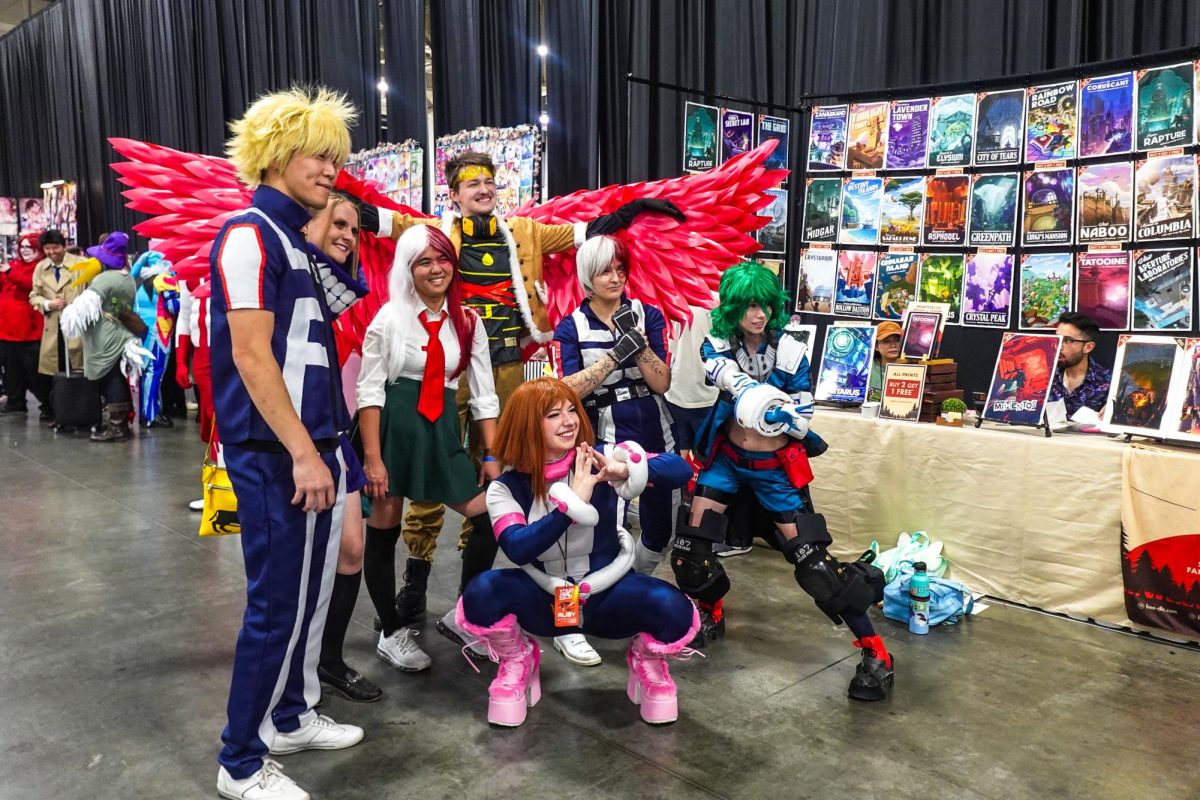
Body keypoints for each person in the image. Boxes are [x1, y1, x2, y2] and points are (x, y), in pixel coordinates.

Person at [359, 151, 683, 656]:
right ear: (455, 194)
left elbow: (586, 232)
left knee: (505, 477)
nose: (485, 189)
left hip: (507, 371)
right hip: (444, 378)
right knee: (424, 490)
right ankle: (416, 580)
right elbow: (374, 221)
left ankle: (483, 601)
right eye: (473, 184)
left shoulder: (527, 233)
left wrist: (630, 209)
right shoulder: (432, 235)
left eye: (491, 181)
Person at [209, 86, 365, 800]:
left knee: (304, 600)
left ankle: (292, 714)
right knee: (275, 603)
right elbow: (251, 355)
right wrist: (304, 451)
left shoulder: (293, 243)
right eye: (317, 154)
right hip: (276, 453)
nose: (331, 167)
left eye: (337, 157)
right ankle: (239, 760)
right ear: (275, 152)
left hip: (313, 447)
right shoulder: (247, 234)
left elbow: (345, 302)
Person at [672, 262, 894, 701]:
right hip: (727, 461)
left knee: (815, 566)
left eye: (765, 304)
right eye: (749, 305)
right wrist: (756, 396)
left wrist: (786, 417)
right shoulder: (717, 342)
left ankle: (876, 652)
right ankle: (710, 609)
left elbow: (803, 417)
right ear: (733, 307)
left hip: (774, 471)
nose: (758, 314)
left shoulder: (792, 351)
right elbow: (721, 373)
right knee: (690, 550)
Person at [458, 377, 698, 727]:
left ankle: (647, 662)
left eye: (572, 410)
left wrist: (626, 469)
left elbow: (681, 470)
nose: (569, 420)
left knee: (673, 608)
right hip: (543, 603)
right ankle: (518, 659)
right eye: (553, 414)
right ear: (527, 424)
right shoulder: (505, 487)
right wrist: (571, 505)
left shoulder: (599, 458)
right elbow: (517, 547)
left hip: (607, 598)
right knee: (480, 594)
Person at [356, 224, 501, 674]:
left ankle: (466, 616)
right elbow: (369, 392)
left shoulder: (469, 322)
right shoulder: (389, 319)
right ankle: (391, 632)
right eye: (424, 261)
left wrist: (493, 455)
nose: (436, 268)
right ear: (408, 269)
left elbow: (484, 394)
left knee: (490, 515)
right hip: (393, 428)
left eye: (442, 258)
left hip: (440, 430)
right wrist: (374, 458)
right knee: (385, 527)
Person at [550, 234, 676, 666]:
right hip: (599, 439)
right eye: (606, 269)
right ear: (587, 276)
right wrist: (609, 359)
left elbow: (662, 382)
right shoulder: (572, 326)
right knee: (580, 538)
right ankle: (566, 624)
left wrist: (636, 344)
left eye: (621, 269)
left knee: (660, 531)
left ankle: (615, 597)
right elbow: (567, 389)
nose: (616, 277)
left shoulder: (648, 314)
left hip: (654, 431)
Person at [303, 189, 382, 704]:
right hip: (297, 445)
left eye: (354, 229)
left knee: (352, 549)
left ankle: (328, 660)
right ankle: (300, 671)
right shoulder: (288, 279)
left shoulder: (330, 287)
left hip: (334, 436)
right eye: (337, 224)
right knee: (302, 565)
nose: (347, 236)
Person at [58, 232, 150, 442]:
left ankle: (117, 427)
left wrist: (67, 314)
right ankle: (120, 424)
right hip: (119, 333)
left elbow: (83, 306)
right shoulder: (126, 277)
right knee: (116, 378)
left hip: (108, 336)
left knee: (112, 380)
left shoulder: (106, 279)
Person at [0, 232, 52, 418]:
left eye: (29, 247)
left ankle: (48, 405)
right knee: (12, 371)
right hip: (7, 330)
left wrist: (9, 273)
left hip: (29, 331)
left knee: (36, 373)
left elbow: (30, 284)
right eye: (22, 247)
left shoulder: (41, 268)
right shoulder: (14, 265)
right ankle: (15, 401)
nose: (25, 251)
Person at [29, 229, 85, 391]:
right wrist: (48, 304)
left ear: (64, 246)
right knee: (55, 371)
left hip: (77, 325)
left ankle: (82, 407)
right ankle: (60, 408)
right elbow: (34, 295)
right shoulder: (41, 267)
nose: (52, 252)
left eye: (55, 247)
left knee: (79, 368)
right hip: (53, 327)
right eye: (47, 248)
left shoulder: (81, 264)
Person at [1048, 311, 1111, 418]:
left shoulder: (1110, 382)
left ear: (1088, 347)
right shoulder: (1043, 377)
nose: (1058, 345)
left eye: (1067, 340)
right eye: (1057, 339)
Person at [867, 320, 903, 400]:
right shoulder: (868, 368)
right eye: (886, 341)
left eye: (897, 340)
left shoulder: (914, 369)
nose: (893, 345)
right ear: (876, 346)